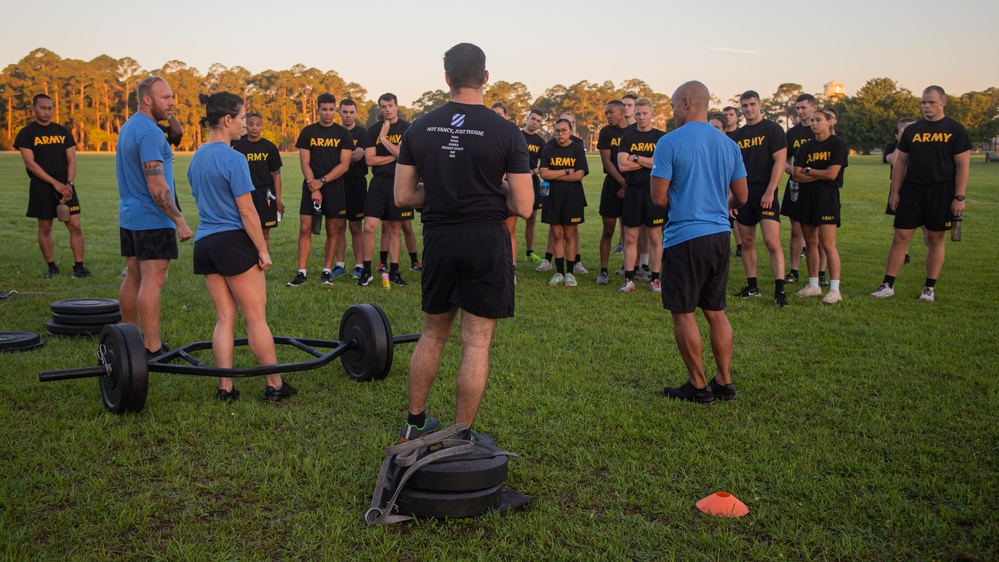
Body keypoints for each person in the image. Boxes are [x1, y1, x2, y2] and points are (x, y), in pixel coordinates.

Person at [395, 42, 533, 443]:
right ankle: (460, 433)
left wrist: (440, 191)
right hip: (485, 240)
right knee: (476, 341)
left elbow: (403, 197)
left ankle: (415, 423)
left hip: (438, 238)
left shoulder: (419, 126)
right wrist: (497, 187)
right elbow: (523, 206)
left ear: (447, 79)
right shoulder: (507, 131)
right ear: (485, 77)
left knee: (432, 333)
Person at [188, 92, 296, 402]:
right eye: (241, 118)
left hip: (205, 243)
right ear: (226, 120)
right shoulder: (234, 158)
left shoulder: (196, 156)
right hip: (232, 242)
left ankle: (226, 389)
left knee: (224, 317)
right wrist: (262, 250)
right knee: (255, 318)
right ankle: (275, 385)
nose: (244, 124)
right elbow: (248, 212)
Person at [651, 81, 747, 403]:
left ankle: (698, 385)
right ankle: (724, 381)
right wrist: (718, 203)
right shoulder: (729, 144)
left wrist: (688, 200)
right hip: (720, 235)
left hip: (685, 238)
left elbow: (658, 198)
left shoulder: (669, 142)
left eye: (674, 104)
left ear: (687, 102)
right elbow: (742, 197)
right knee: (716, 311)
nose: (672, 111)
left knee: (683, 312)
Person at [870, 85, 971, 302]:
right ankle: (887, 284)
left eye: (931, 102)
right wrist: (894, 193)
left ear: (943, 102)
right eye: (923, 102)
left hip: (941, 191)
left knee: (935, 238)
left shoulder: (955, 129)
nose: (926, 106)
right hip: (912, 190)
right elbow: (901, 163)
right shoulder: (912, 131)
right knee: (900, 236)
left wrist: (959, 196)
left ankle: (929, 288)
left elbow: (963, 165)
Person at [116, 76, 193, 356]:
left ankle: (128, 341)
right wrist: (179, 220)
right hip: (151, 217)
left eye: (171, 96)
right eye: (165, 97)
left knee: (133, 275)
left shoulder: (130, 126)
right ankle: (151, 346)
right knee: (152, 279)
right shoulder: (149, 132)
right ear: (147, 99)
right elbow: (156, 185)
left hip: (129, 215)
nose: (171, 102)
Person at [14, 93, 90, 279]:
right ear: (33, 109)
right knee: (45, 227)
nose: (47, 112)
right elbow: (30, 164)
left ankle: (79, 268)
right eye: (43, 108)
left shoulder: (62, 131)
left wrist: (68, 184)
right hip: (42, 186)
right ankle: (52, 267)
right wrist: (55, 184)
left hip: (66, 185)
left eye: (50, 108)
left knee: (75, 224)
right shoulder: (26, 134)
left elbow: (72, 159)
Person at [286, 93, 353, 287]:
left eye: (331, 109)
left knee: (333, 229)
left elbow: (344, 165)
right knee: (305, 228)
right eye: (324, 109)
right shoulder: (308, 132)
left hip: (333, 187)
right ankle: (301, 273)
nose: (328, 113)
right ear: (318, 110)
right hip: (310, 186)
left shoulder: (343, 134)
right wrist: (313, 185)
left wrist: (321, 182)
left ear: (335, 111)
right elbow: (304, 162)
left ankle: (326, 272)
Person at [730, 90, 788, 306]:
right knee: (747, 242)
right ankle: (752, 286)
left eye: (752, 104)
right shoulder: (736, 136)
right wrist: (732, 199)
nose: (749, 109)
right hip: (744, 193)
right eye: (744, 105)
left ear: (760, 104)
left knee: (772, 242)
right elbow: (731, 170)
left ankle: (780, 291)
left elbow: (780, 162)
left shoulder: (772, 129)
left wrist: (771, 191)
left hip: (765, 191)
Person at [790, 108, 848, 304]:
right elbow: (796, 175)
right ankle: (813, 285)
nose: (814, 123)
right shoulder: (805, 147)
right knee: (810, 243)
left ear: (830, 122)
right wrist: (817, 173)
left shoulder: (837, 144)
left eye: (818, 120)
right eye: (812, 120)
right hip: (806, 198)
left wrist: (809, 170)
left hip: (827, 198)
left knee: (828, 244)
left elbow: (833, 174)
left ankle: (834, 289)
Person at [358, 93, 412, 287]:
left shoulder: (407, 129)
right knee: (369, 226)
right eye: (383, 106)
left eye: (390, 105)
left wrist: (384, 139)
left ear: (397, 106)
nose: (387, 109)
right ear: (379, 109)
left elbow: (403, 154)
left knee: (395, 228)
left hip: (399, 182)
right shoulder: (372, 130)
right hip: (379, 182)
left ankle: (395, 271)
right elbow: (370, 160)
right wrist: (394, 155)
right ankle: (366, 270)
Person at [617, 97, 666, 293]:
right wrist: (649, 161)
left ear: (652, 114)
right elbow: (622, 165)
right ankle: (629, 279)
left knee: (655, 236)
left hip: (654, 190)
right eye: (638, 113)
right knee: (630, 237)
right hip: (633, 191)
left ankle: (655, 279)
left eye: (645, 113)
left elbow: (660, 163)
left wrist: (635, 157)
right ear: (633, 114)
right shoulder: (628, 137)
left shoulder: (661, 137)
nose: (641, 117)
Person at [539, 118, 589, 287]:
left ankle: (570, 273)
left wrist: (556, 174)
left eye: (564, 130)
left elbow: (579, 175)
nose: (560, 134)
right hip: (552, 198)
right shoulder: (549, 148)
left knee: (570, 234)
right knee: (557, 234)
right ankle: (559, 272)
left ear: (571, 130)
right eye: (557, 131)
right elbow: (544, 174)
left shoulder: (576, 149)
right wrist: (567, 170)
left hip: (572, 198)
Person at [232, 113, 283, 249]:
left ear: (262, 127)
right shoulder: (239, 148)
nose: (254, 128)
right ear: (246, 126)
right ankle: (249, 262)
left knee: (264, 232)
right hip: (246, 192)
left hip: (266, 193)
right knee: (246, 230)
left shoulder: (270, 147)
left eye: (258, 125)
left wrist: (277, 200)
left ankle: (263, 259)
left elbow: (276, 174)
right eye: (251, 124)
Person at [781, 94, 817, 285]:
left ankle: (820, 273)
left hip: (818, 186)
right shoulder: (792, 133)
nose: (800, 111)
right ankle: (794, 271)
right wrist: (787, 166)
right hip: (796, 185)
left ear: (814, 107)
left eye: (804, 107)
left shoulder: (820, 131)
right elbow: (785, 158)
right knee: (796, 230)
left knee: (817, 232)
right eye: (798, 108)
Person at [596, 100, 633, 285]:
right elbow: (606, 161)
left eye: (611, 112)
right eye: (606, 114)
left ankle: (629, 270)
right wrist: (621, 182)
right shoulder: (606, 132)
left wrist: (627, 185)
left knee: (629, 231)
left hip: (632, 185)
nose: (608, 116)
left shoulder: (633, 132)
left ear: (622, 111)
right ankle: (603, 271)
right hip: (613, 184)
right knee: (608, 229)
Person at [337, 99, 369, 279]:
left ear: (356, 113)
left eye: (351, 112)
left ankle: (359, 265)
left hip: (356, 184)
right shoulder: (335, 132)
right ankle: (339, 265)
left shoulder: (363, 133)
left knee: (356, 227)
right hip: (337, 184)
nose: (348, 115)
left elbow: (359, 154)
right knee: (338, 226)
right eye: (345, 112)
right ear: (339, 113)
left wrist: (339, 157)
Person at [883, 117, 918, 266]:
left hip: (919, 186)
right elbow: (892, 160)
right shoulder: (893, 146)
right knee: (902, 225)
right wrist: (901, 142)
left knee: (926, 227)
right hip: (900, 187)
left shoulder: (920, 144)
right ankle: (904, 254)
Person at [521, 109, 546, 263]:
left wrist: (532, 171)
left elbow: (544, 166)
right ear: (527, 118)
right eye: (533, 119)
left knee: (532, 218)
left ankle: (529, 252)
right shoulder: (517, 135)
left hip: (532, 182)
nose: (535, 123)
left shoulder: (540, 142)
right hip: (514, 180)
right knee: (509, 218)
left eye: (538, 121)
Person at [722, 105, 743, 256]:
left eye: (731, 114)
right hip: (723, 182)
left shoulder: (739, 136)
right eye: (725, 115)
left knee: (736, 214)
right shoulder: (719, 137)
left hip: (737, 179)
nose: (728, 117)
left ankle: (740, 245)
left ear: (736, 117)